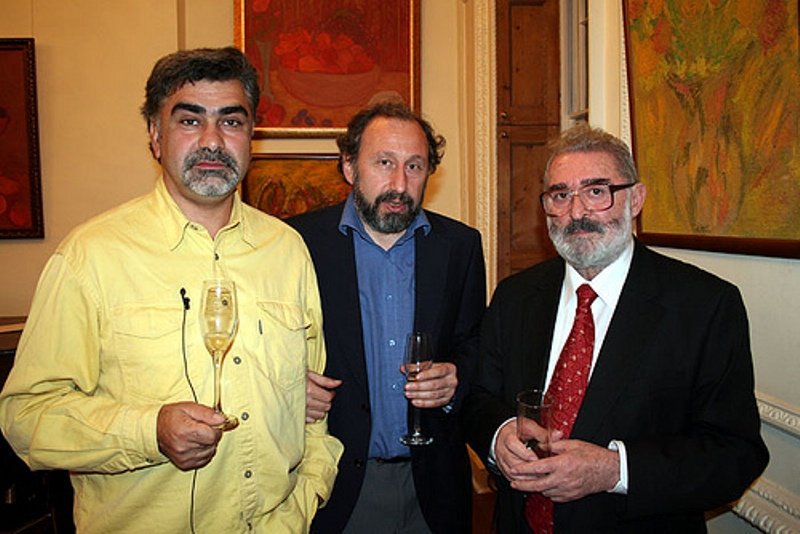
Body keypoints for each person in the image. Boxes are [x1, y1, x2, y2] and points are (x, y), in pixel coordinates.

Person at [0, 47, 343, 533]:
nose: (212, 141)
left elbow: (313, 407)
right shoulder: (90, 256)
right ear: (155, 136)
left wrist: (305, 498)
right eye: (189, 121)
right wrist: (150, 431)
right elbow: (26, 416)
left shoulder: (287, 251)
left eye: (231, 122)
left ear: (252, 136)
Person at [463, 123, 769, 533]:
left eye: (596, 191)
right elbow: (478, 398)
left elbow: (735, 454)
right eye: (560, 195)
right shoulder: (514, 296)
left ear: (635, 199)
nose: (576, 212)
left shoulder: (704, 306)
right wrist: (499, 435)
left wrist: (615, 470)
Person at [287, 102, 486, 533]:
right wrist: (286, 388)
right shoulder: (297, 243)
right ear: (349, 167)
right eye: (384, 163)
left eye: (414, 166)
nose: (400, 184)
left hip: (435, 488)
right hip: (336, 487)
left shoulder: (460, 246)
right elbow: (261, 347)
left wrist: (456, 376)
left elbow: (475, 344)